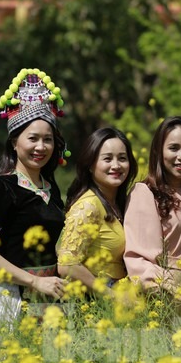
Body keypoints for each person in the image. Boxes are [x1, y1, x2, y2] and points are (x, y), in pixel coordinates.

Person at [0, 68, 68, 326]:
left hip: (48, 298)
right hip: (7, 298)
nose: (40, 147)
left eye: (48, 140)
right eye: (33, 138)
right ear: (14, 142)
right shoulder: (0, 188)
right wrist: (34, 281)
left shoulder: (51, 189)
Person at [123, 116, 181, 305]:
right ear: (158, 151)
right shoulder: (145, 193)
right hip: (165, 295)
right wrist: (173, 288)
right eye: (173, 148)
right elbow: (138, 258)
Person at [56, 127, 137, 296]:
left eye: (122, 158)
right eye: (107, 159)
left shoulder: (120, 203)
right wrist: (111, 296)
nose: (116, 165)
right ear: (90, 165)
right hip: (97, 301)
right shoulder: (88, 206)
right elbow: (66, 264)